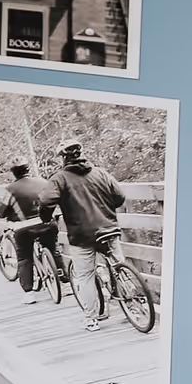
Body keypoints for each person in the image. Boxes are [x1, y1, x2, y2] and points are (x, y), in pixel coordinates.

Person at [53, 138, 129, 327]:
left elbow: (47, 200)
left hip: (82, 235)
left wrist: (46, 215)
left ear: (63, 158)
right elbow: (119, 197)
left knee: (85, 276)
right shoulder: (101, 173)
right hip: (109, 228)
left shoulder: (59, 179)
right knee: (119, 266)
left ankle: (91, 319)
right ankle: (132, 302)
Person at [0, 160, 61, 293]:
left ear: (13, 173)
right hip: (47, 223)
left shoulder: (10, 190)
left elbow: (1, 211)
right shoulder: (43, 182)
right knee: (53, 250)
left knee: (24, 257)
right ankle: (63, 278)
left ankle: (28, 292)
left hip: (25, 228)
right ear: (28, 169)